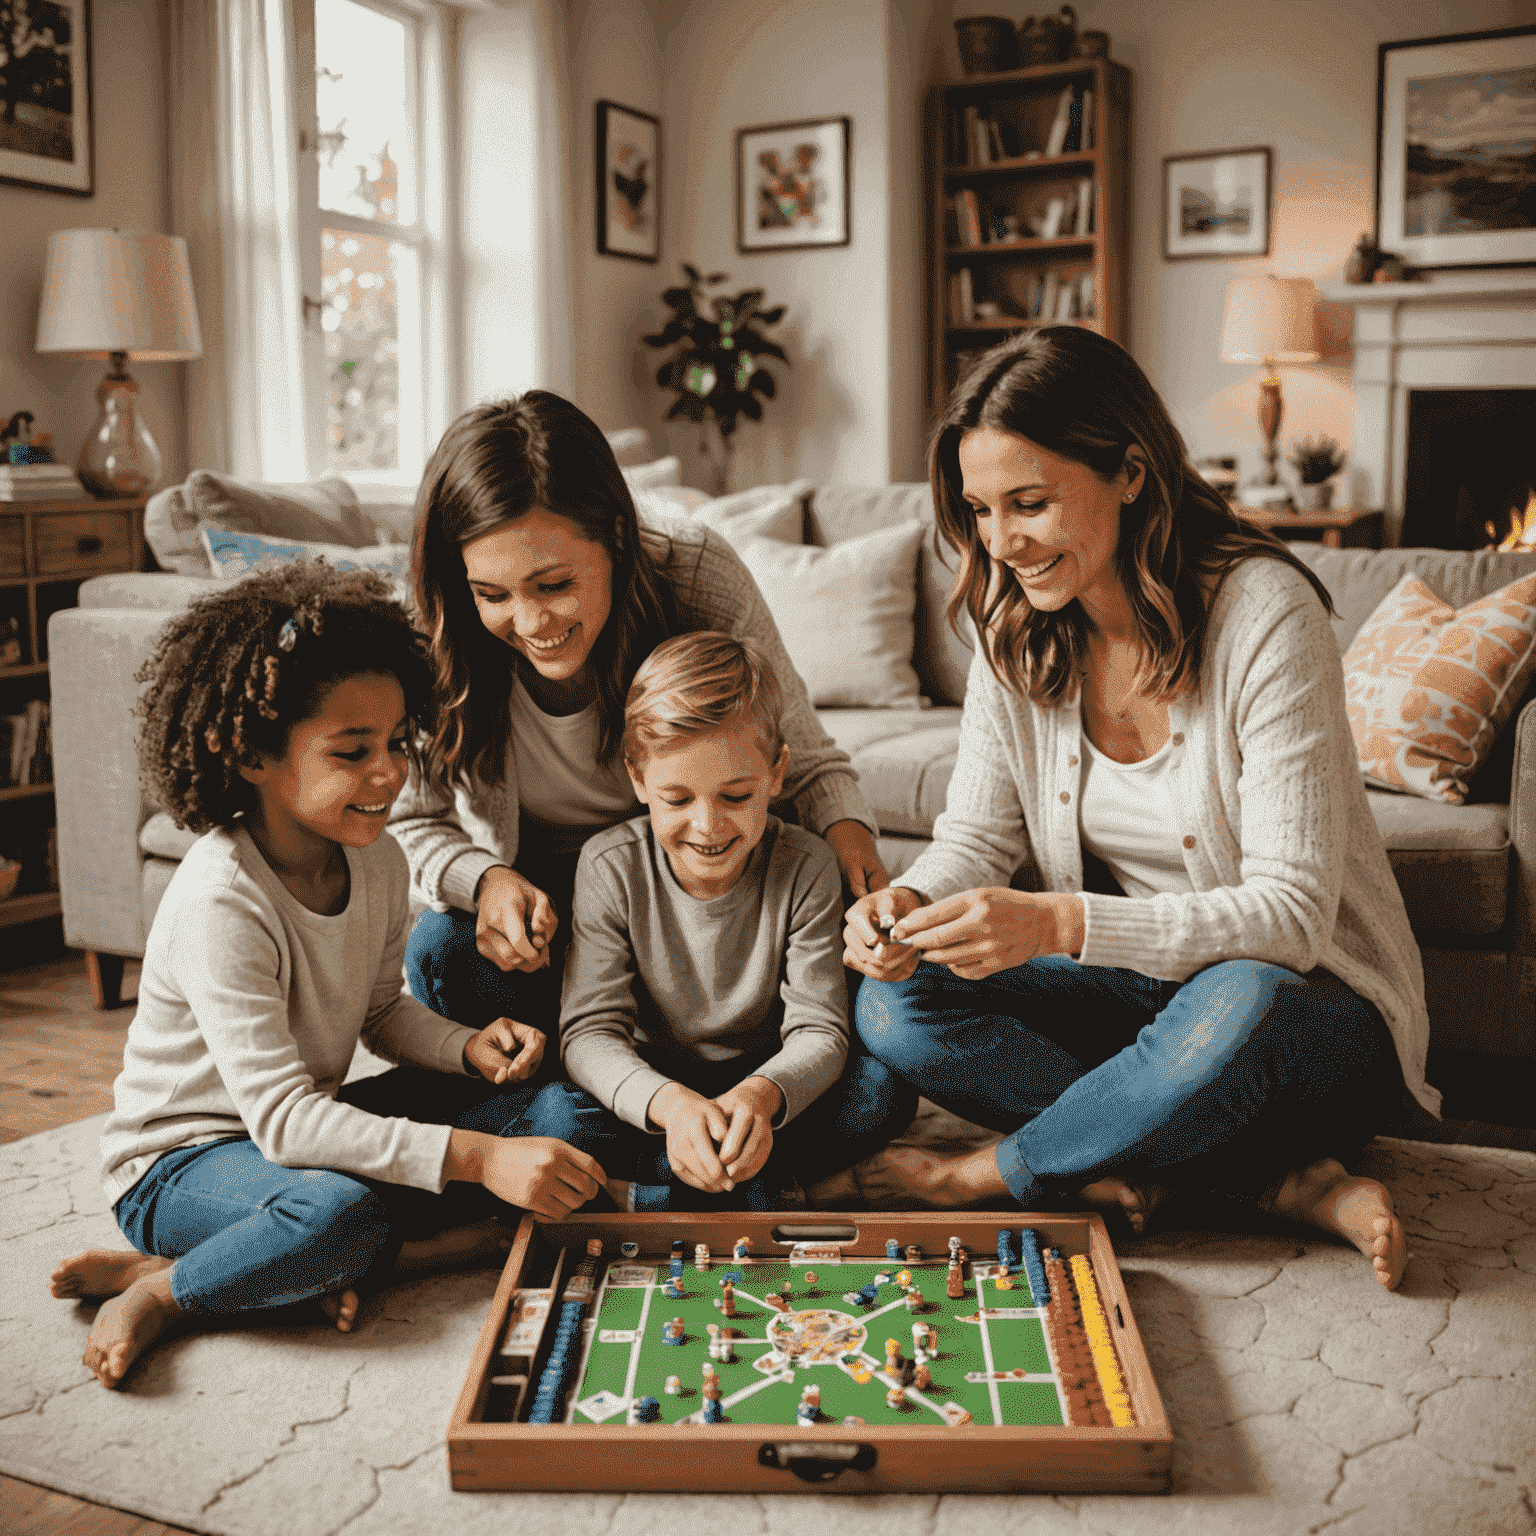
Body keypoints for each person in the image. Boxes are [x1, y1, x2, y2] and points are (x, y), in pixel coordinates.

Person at [841, 326, 1435, 1290]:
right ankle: (1271, 1185)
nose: (1002, 543)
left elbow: (1286, 920)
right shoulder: (1015, 626)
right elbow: (977, 836)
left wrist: (1059, 923)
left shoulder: (1265, 614)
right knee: (897, 1000)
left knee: (1230, 994)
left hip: (1306, 1013)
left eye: (1031, 503)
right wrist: (906, 905)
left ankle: (996, 1174)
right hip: (1153, 1012)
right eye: (982, 510)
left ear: (1130, 472)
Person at [49, 564, 607, 1388]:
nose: (388, 775)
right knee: (342, 1213)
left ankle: (280, 1268)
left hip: (307, 1131)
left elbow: (382, 1013)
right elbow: (280, 1123)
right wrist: (481, 1161)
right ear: (249, 754)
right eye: (352, 753)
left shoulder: (376, 860)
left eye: (394, 746)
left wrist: (467, 1048)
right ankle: (167, 1289)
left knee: (553, 1112)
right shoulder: (219, 899)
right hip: (183, 1165)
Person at [393, 391, 886, 1042]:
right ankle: (606, 1079)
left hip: (704, 907)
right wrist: (484, 880)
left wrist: (862, 867)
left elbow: (804, 755)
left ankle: (613, 1091)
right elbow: (411, 817)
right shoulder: (440, 632)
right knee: (441, 950)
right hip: (556, 927)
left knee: (876, 1039)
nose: (532, 623)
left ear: (617, 539)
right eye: (493, 594)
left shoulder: (693, 570)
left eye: (554, 585)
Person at [559, 632, 916, 1209]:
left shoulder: (807, 864)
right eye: (677, 800)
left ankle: (667, 1193)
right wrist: (671, 1107)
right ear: (638, 780)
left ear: (776, 776)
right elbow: (589, 1033)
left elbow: (820, 1029)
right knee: (556, 1116)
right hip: (657, 1090)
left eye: (735, 795)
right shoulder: (609, 865)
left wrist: (760, 1095)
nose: (707, 826)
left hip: (769, 1085)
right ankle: (770, 1187)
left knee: (882, 1095)